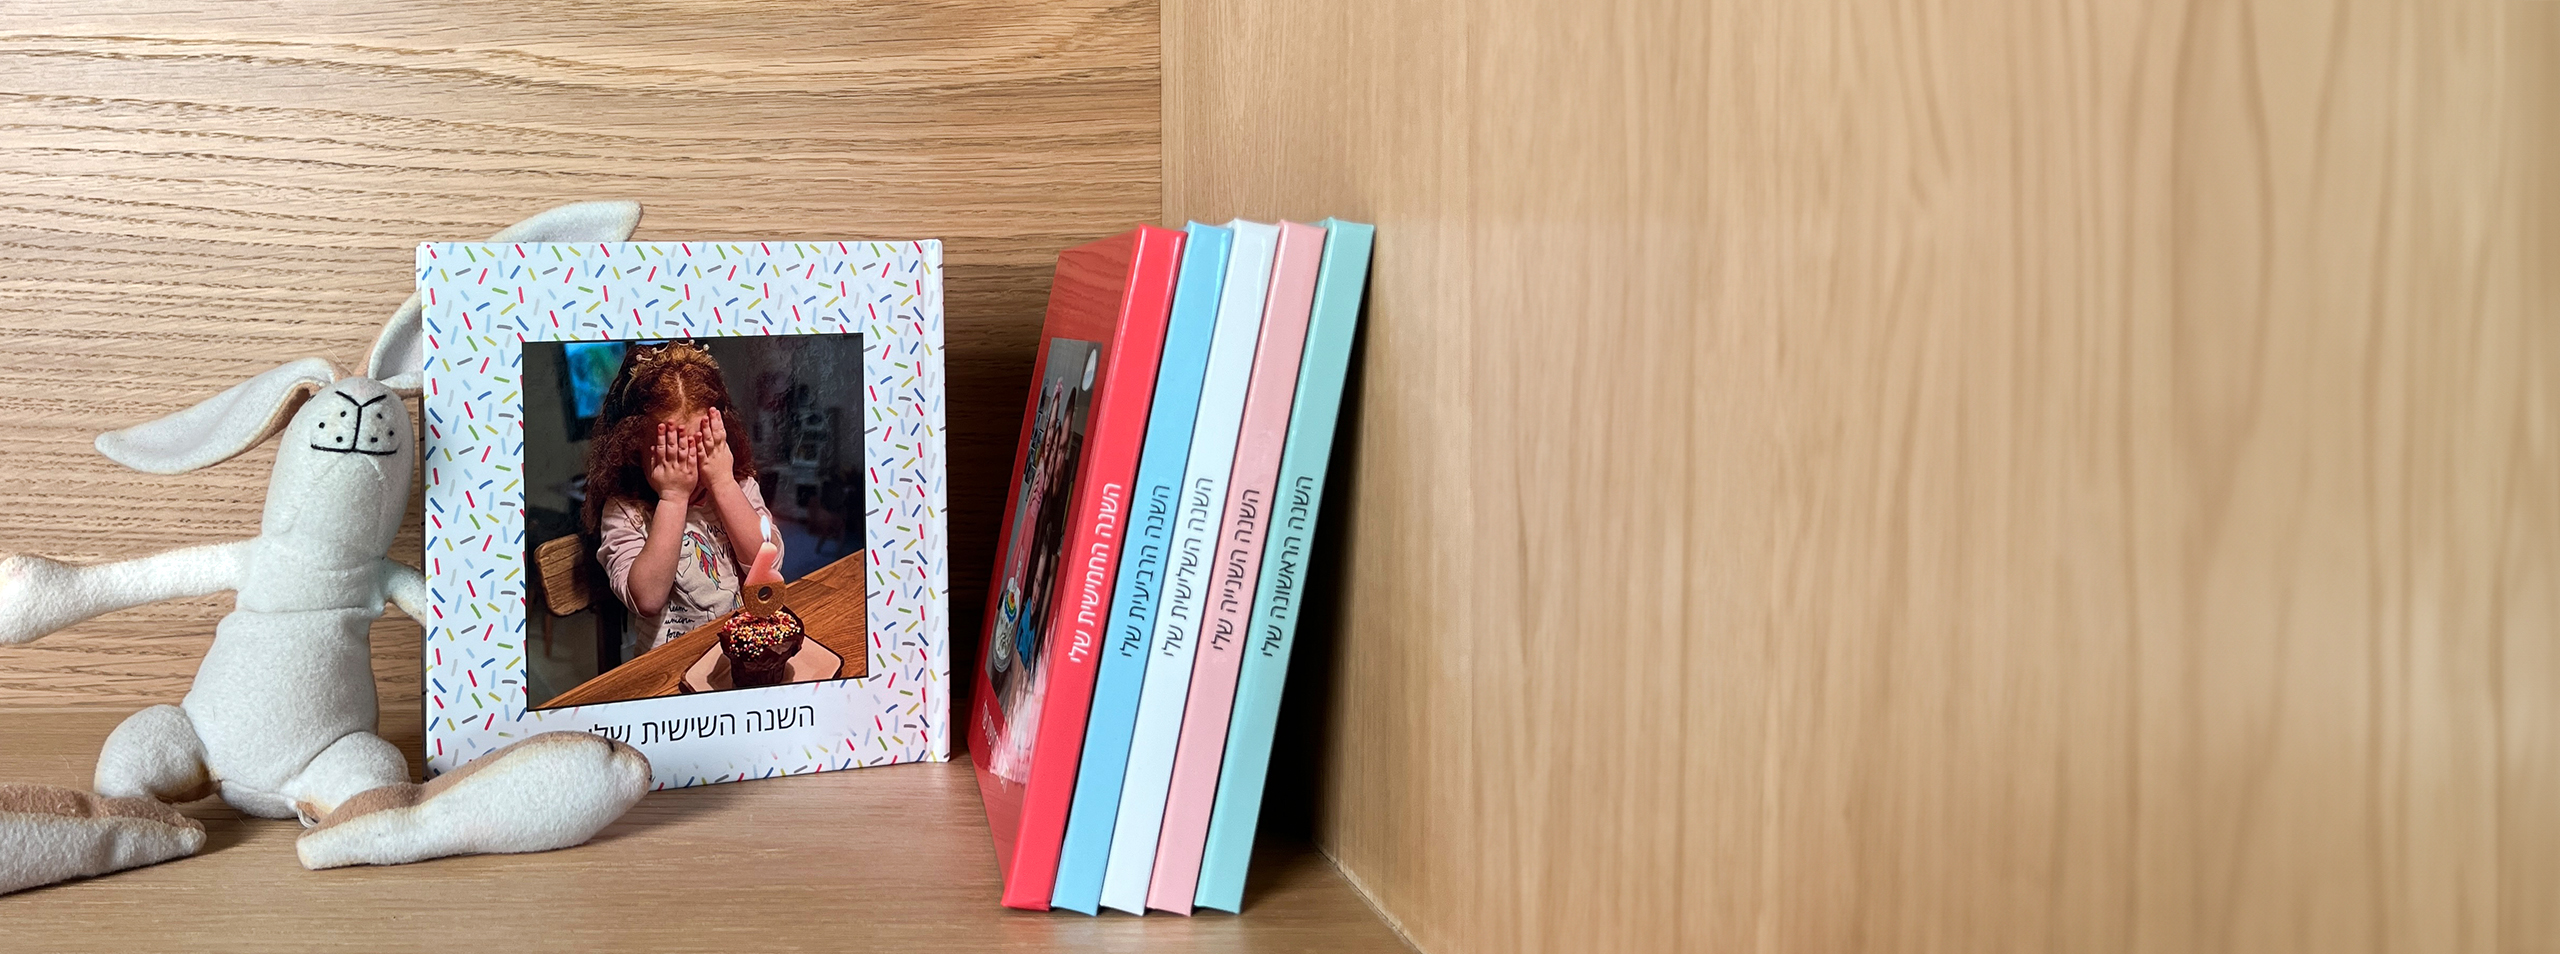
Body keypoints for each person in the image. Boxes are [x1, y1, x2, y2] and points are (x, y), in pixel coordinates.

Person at [583, 340, 782, 652]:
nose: (689, 467)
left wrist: (724, 484)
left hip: (741, 649)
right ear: (632, 447)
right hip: (671, 665)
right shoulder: (626, 511)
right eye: (673, 453)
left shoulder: (738, 485)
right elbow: (647, 599)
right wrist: (672, 498)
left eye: (704, 447)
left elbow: (768, 564)